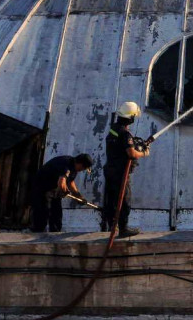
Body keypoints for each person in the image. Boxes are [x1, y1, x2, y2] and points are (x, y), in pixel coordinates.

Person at [103, 101, 149, 238]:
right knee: (125, 200)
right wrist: (143, 153)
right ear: (131, 117)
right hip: (120, 173)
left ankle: (112, 226)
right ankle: (123, 229)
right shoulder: (125, 134)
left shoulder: (113, 129)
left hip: (110, 170)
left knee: (112, 199)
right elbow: (131, 154)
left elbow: (119, 147)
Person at [30, 153, 93, 232]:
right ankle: (36, 234)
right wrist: (64, 191)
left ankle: (55, 237)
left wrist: (78, 196)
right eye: (83, 168)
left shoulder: (74, 168)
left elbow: (70, 182)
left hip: (53, 189)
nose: (82, 170)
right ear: (80, 163)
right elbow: (62, 182)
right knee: (43, 212)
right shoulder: (66, 164)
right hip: (42, 187)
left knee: (56, 214)